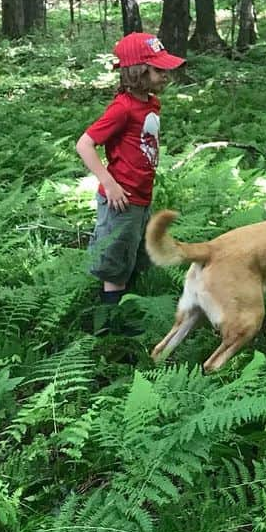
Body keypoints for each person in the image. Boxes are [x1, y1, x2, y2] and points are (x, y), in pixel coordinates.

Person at [76, 31, 185, 329]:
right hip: (120, 200)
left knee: (134, 257)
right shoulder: (122, 108)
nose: (166, 76)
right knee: (114, 266)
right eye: (159, 70)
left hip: (140, 198)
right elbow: (84, 144)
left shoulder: (150, 103)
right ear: (138, 72)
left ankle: (128, 312)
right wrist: (109, 183)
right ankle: (111, 328)